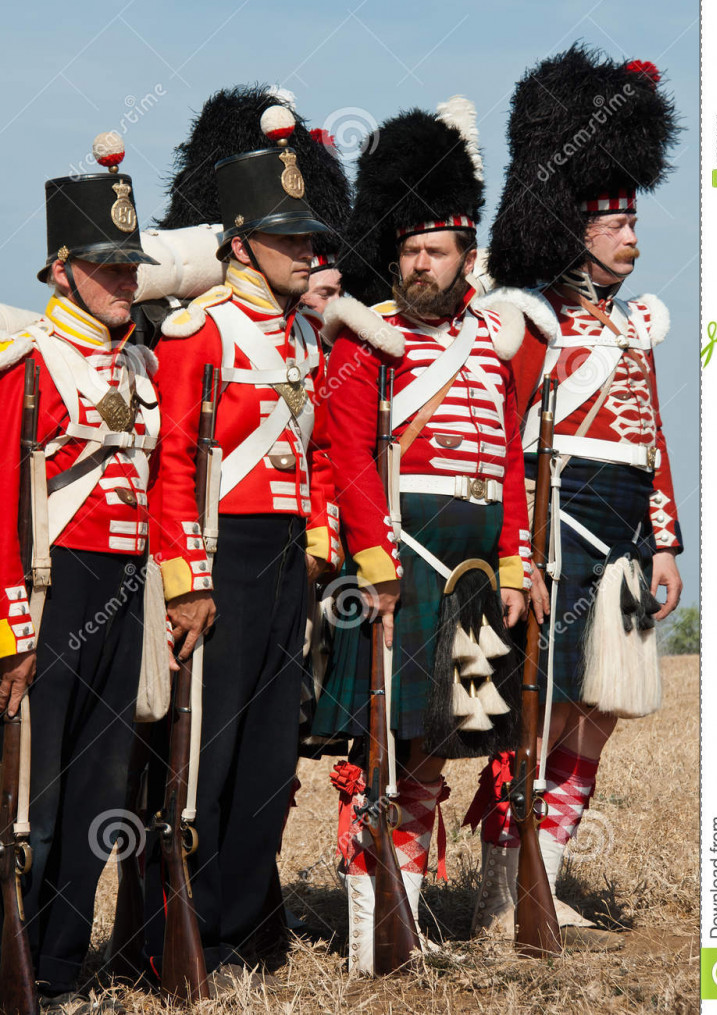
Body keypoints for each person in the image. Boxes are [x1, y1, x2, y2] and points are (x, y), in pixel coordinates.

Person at [311, 99, 535, 973]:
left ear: (466, 257)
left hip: (478, 574)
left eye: (433, 251)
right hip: (402, 566)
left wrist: (515, 562)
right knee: (382, 751)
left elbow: (513, 463)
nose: (417, 264)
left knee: (440, 751)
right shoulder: (368, 337)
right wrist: (376, 557)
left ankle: (408, 918)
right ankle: (376, 940)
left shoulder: (493, 339)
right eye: (407, 250)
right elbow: (349, 454)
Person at [467, 45, 684, 947]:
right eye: (617, 226)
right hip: (558, 517)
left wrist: (666, 542)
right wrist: (521, 552)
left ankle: (545, 880)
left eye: (633, 224)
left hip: (625, 521)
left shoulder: (636, 324)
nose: (633, 238)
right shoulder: (533, 319)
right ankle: (501, 885)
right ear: (579, 231)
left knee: (601, 710)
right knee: (544, 700)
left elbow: (652, 442)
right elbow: (509, 445)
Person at [145, 90, 348, 986]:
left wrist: (321, 540)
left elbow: (323, 455)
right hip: (219, 557)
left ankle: (233, 932)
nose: (308, 250)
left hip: (287, 561)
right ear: (238, 243)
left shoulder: (304, 334)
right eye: (288, 237)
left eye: (310, 237)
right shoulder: (201, 330)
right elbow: (175, 466)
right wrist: (187, 580)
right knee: (204, 759)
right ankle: (175, 940)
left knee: (268, 759)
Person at [0, 134, 160, 1013]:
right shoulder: (26, 364)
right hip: (53, 591)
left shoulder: (141, 365)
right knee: (37, 801)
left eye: (130, 264)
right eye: (107, 265)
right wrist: (14, 633)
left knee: (100, 793)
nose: (125, 279)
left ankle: (59, 966)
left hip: (126, 590)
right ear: (63, 269)